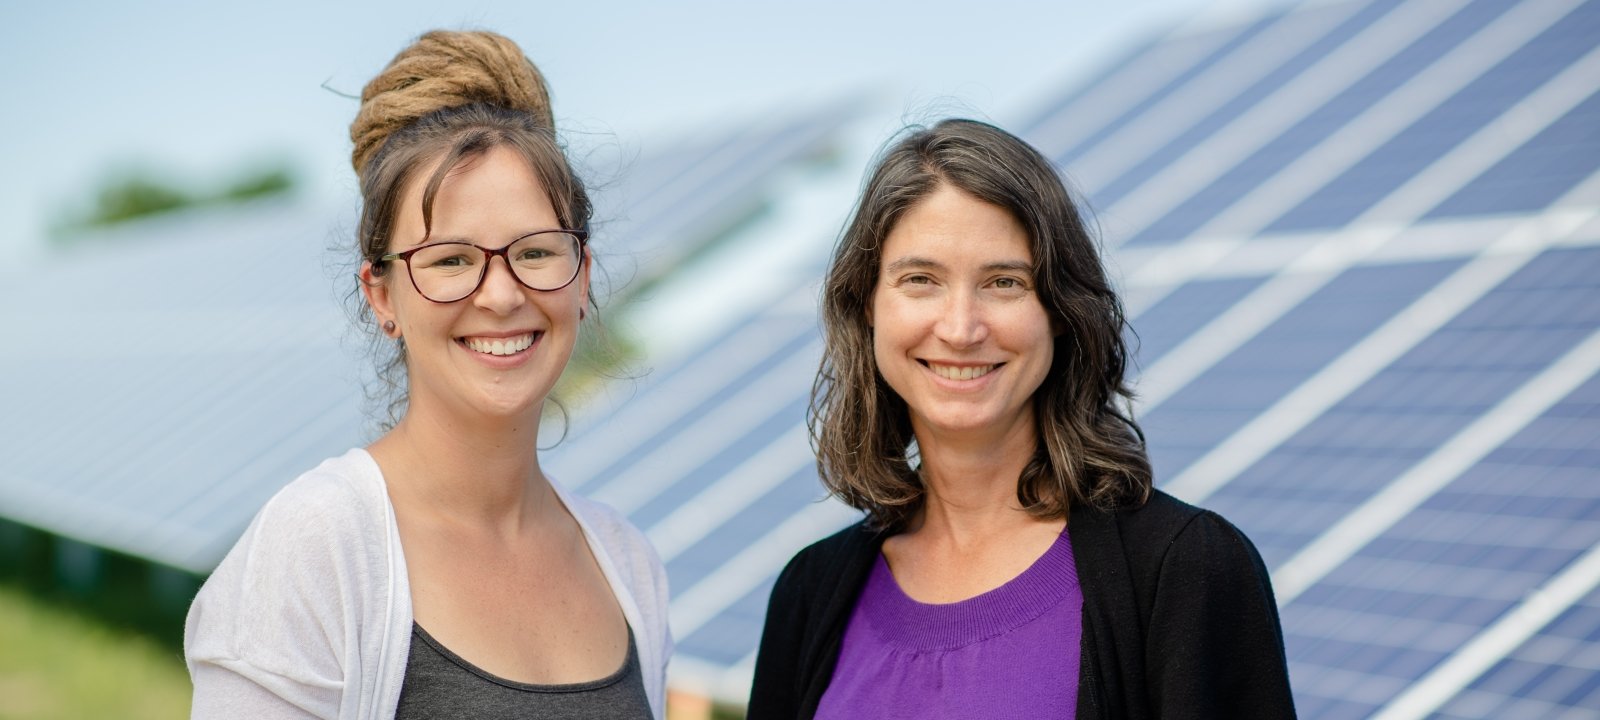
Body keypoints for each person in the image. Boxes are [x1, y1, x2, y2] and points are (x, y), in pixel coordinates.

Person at [184, 30, 670, 719]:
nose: (501, 296)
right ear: (381, 295)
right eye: (449, 261)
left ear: (582, 277)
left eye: (535, 252)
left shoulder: (629, 567)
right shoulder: (316, 547)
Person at [749, 119, 1294, 719]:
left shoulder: (1184, 569)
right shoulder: (809, 594)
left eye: (1005, 282)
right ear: (867, 305)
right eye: (920, 280)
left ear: (1061, 311)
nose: (960, 328)